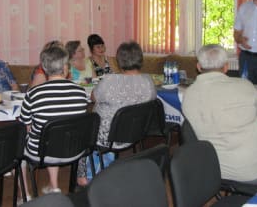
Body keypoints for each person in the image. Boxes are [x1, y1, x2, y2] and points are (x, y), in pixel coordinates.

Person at [182, 44, 257, 185]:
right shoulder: (244, 85)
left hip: (217, 168)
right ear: (226, 67)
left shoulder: (188, 95)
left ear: (198, 67)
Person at [77, 41, 156, 183]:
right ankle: (104, 166)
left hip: (107, 137)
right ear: (140, 59)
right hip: (135, 133)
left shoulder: (110, 81)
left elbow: (93, 97)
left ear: (119, 61)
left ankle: (84, 177)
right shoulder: (148, 81)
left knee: (84, 128)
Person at [19, 45, 88, 194]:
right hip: (74, 149)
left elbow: (26, 126)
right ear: (65, 67)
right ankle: (54, 186)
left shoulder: (33, 94)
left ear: (43, 68)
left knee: (20, 145)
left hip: (43, 153)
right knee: (54, 136)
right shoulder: (81, 92)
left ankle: (24, 195)